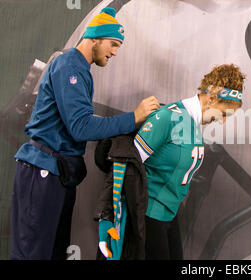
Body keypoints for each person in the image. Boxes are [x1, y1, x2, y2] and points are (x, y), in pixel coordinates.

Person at [10, 7, 160, 260]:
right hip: (43, 173)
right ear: (94, 38)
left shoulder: (79, 69)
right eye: (112, 44)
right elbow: (81, 127)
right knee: (33, 254)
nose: (114, 52)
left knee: (53, 252)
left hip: (57, 174)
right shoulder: (69, 66)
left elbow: (80, 121)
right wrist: (132, 117)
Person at [94, 64, 245, 260]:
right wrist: (107, 217)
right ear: (212, 98)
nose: (223, 121)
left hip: (169, 215)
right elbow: (124, 165)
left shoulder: (192, 123)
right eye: (224, 114)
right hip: (148, 214)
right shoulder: (168, 118)